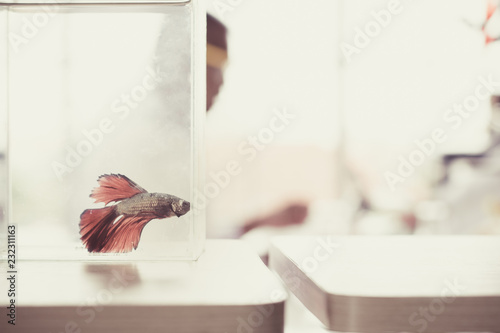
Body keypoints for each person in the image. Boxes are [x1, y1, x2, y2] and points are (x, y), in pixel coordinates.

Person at [206, 14, 308, 238]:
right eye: (214, 63)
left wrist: (265, 222)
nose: (221, 81)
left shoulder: (181, 138)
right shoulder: (154, 144)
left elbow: (199, 238)